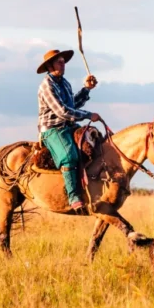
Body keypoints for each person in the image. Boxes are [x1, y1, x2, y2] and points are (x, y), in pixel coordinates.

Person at [36, 48, 100, 212]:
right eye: (59, 62)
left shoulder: (65, 83)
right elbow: (62, 112)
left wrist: (86, 89)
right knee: (69, 156)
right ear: (50, 66)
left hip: (69, 125)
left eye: (64, 62)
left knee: (94, 143)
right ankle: (73, 197)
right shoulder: (46, 86)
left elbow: (72, 105)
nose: (63, 65)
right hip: (53, 129)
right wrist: (88, 115)